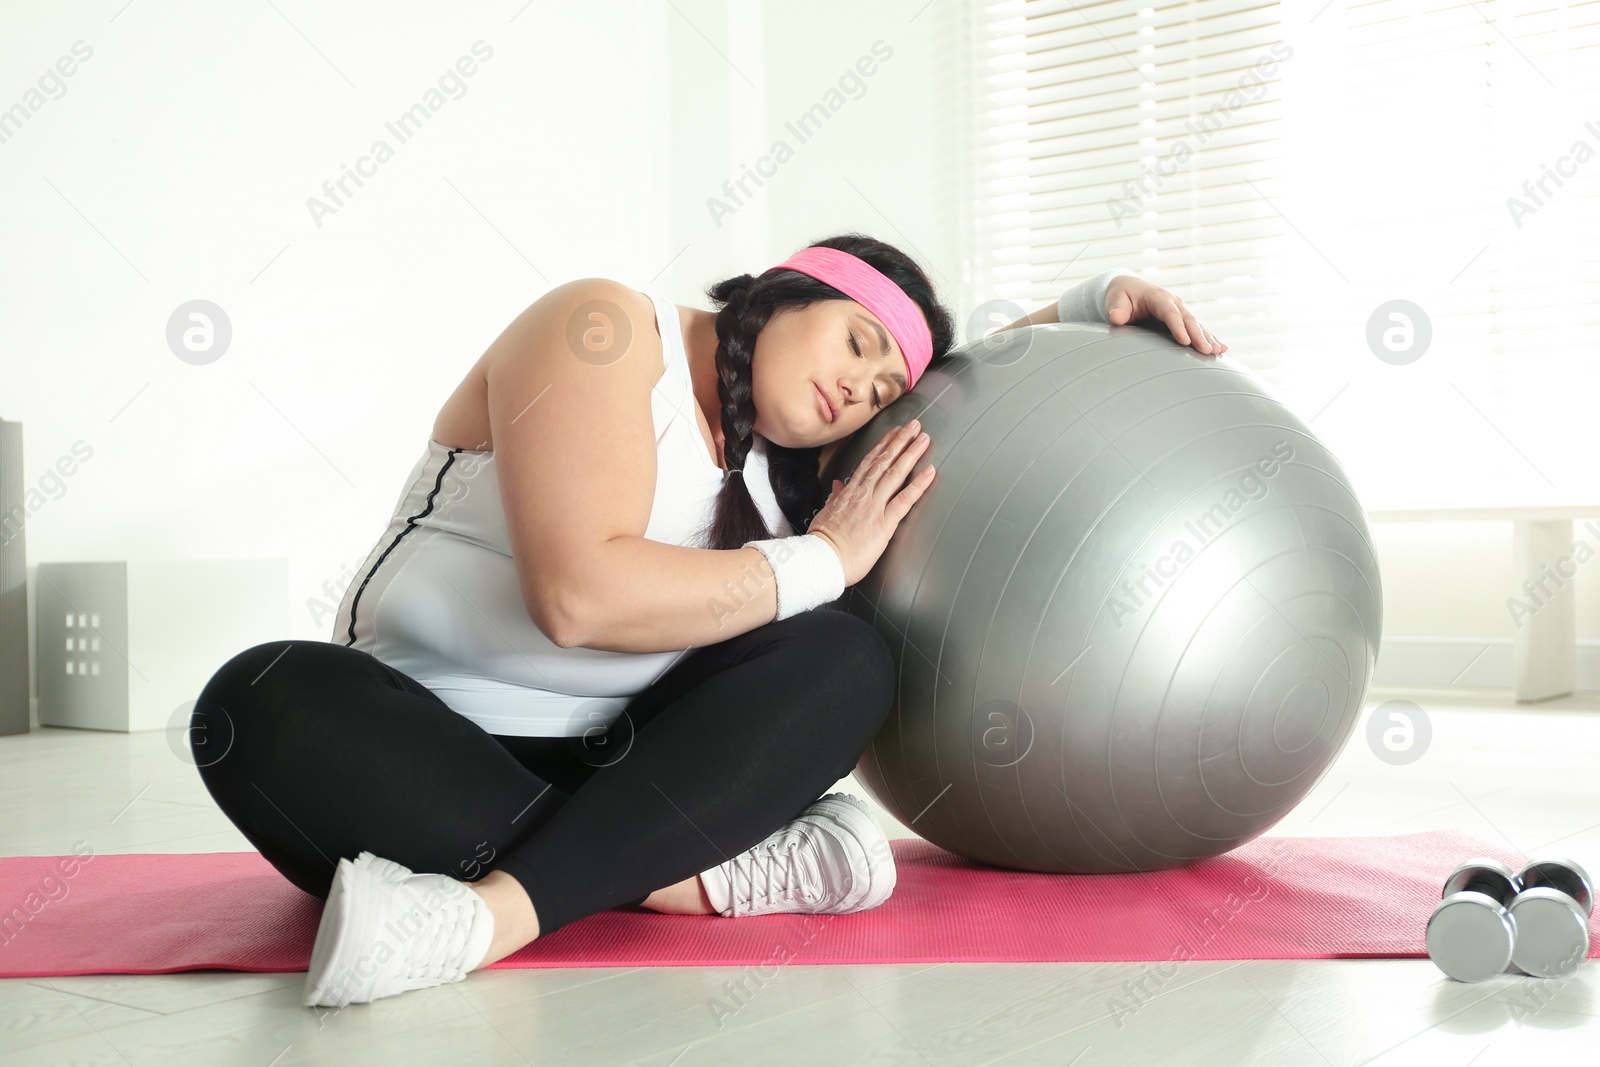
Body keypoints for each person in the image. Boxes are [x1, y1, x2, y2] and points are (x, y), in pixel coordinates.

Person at [189, 232, 1225, 1010]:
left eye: (877, 390)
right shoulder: (603, 328)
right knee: (256, 703)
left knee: (844, 652)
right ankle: (691, 874)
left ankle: (478, 916)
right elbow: (578, 597)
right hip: (421, 745)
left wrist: (1084, 307)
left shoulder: (791, 461)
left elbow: (950, 394)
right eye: (855, 341)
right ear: (784, 289)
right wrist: (822, 558)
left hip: (626, 761)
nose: (853, 390)